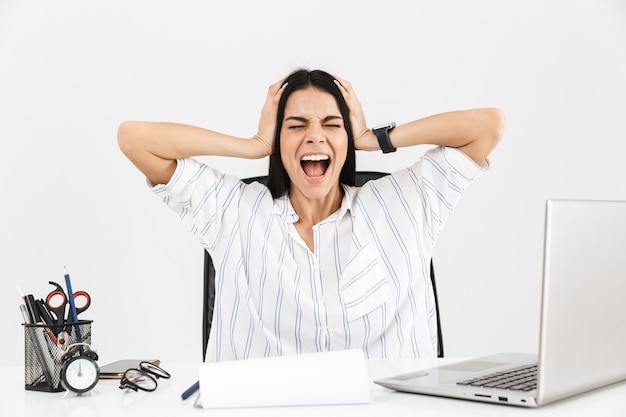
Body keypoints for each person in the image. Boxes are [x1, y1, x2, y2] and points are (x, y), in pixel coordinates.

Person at [118, 69, 505, 361]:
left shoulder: (404, 203)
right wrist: (253, 146)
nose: (315, 137)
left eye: (332, 125)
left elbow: (488, 125)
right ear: (279, 141)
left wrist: (374, 137)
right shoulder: (233, 212)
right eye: (296, 125)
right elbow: (135, 138)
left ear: (347, 141)